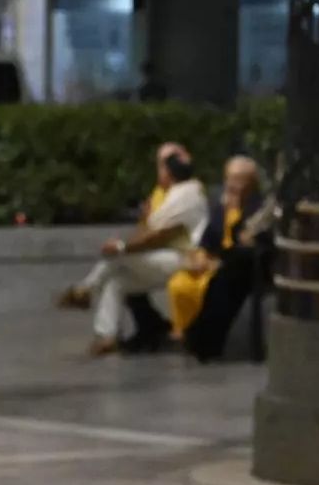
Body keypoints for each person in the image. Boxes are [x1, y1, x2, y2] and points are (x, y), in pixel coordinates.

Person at [58, 142, 208, 356]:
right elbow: (148, 232)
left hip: (186, 259)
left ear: (168, 171)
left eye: (162, 166)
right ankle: (106, 336)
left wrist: (121, 247)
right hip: (166, 257)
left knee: (116, 257)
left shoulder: (186, 194)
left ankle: (85, 290)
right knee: (117, 282)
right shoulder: (167, 193)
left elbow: (157, 236)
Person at [178, 156, 272, 361]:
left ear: (251, 184)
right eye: (229, 178)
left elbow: (248, 239)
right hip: (222, 262)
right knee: (184, 281)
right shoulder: (221, 208)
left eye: (239, 179)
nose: (232, 184)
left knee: (222, 282)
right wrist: (202, 255)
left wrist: (236, 211)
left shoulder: (258, 207)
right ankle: (191, 334)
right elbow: (208, 238)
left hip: (249, 265)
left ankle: (201, 339)